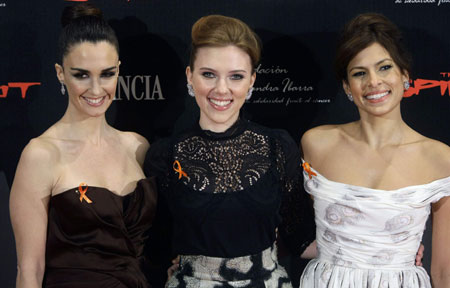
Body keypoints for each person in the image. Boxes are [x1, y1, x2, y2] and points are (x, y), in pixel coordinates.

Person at [145, 14, 316, 287]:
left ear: (251, 81)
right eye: (208, 74)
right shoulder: (164, 155)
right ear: (190, 76)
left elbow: (300, 236)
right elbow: (155, 246)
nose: (221, 89)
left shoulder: (278, 147)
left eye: (236, 76)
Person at [9, 3, 156, 288]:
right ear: (60, 73)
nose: (97, 89)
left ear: (119, 71)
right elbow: (30, 271)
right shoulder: (41, 154)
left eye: (107, 74)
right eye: (81, 75)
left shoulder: (138, 146)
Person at [299, 13, 450, 288]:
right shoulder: (316, 144)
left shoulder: (440, 158)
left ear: (404, 75)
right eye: (359, 73)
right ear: (347, 86)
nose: (374, 82)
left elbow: (443, 272)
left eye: (384, 68)